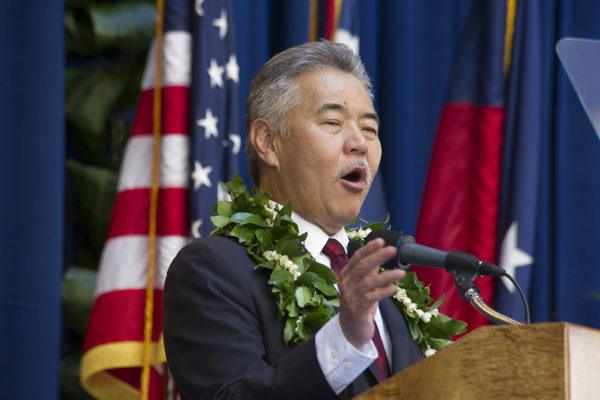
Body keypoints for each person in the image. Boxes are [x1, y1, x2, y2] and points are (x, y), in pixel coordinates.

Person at [164, 40, 422, 400]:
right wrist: (343, 340)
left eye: (369, 128)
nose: (359, 143)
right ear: (268, 142)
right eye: (333, 122)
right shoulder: (213, 270)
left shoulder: (381, 283)